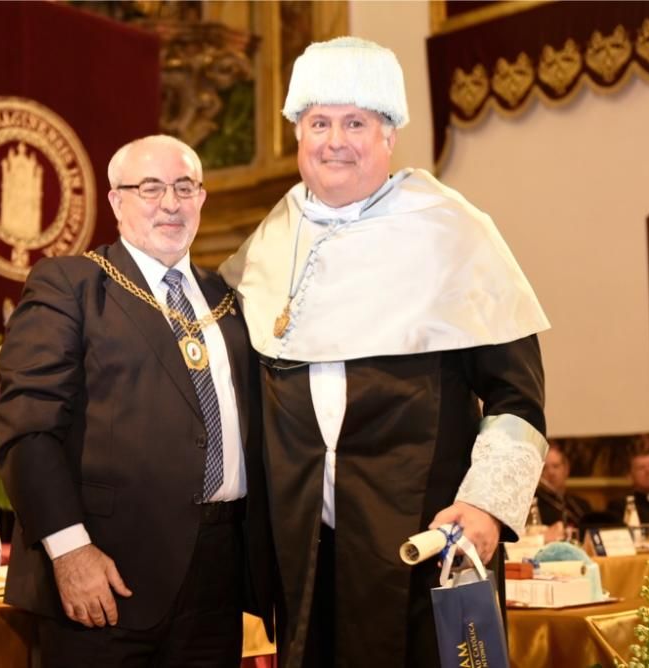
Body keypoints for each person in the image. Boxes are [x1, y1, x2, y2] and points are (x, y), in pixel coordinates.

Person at [219, 37, 550, 667]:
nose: (334, 140)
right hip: (303, 555)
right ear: (297, 133)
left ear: (389, 134)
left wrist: (487, 505)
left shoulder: (454, 232)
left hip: (428, 543)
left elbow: (519, 400)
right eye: (319, 122)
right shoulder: (269, 243)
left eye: (355, 123)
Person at [0, 134, 274, 667]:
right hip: (107, 571)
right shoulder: (71, 284)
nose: (170, 203)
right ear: (116, 200)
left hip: (219, 571)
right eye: (149, 188)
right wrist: (69, 548)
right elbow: (27, 430)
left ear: (201, 198)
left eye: (184, 187)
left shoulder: (227, 298)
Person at [535, 443, 592, 541]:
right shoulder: (533, 508)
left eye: (556, 466)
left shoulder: (581, 505)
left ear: (566, 469)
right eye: (544, 468)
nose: (551, 473)